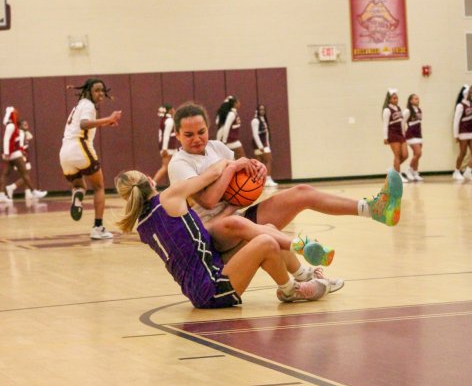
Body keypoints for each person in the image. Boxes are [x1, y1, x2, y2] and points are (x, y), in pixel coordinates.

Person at [167, 102, 403, 284]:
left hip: (236, 218)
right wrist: (230, 168)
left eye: (201, 131)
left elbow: (240, 182)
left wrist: (255, 170)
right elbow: (208, 202)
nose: (197, 139)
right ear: (177, 135)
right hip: (211, 236)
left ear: (208, 128)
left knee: (302, 192)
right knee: (265, 232)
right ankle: (304, 275)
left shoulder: (217, 148)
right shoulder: (179, 163)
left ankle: (374, 209)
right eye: (189, 135)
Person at [115, 164, 334, 306]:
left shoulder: (142, 226)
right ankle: (290, 290)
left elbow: (192, 238)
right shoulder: (169, 197)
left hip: (203, 279)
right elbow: (212, 174)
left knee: (265, 229)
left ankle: (304, 263)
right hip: (211, 287)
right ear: (149, 179)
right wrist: (232, 164)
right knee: (266, 242)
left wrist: (231, 217)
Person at [59, 78, 121, 239]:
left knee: (79, 184)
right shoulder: (88, 105)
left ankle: (78, 194)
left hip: (65, 152)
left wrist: (105, 123)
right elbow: (84, 124)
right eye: (97, 90)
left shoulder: (79, 105)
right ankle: (98, 228)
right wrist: (108, 119)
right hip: (80, 148)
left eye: (102, 90)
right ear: (88, 92)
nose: (100, 93)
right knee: (99, 187)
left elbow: (82, 125)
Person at [0, 107, 47, 205]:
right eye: (15, 114)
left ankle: (1, 194)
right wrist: (6, 153)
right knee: (25, 173)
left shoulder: (11, 125)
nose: (16, 115)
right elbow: (6, 140)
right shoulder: (11, 126)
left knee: (5, 174)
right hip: (14, 153)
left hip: (11, 153)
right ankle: (34, 192)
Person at [452, 84, 472, 181]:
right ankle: (456, 171)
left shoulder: (471, 104)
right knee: (463, 153)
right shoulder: (460, 105)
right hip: (463, 132)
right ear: (465, 94)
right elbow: (456, 121)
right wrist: (456, 135)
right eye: (470, 93)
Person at [382, 89, 408, 183]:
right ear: (389, 99)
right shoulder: (387, 110)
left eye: (397, 98)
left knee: (405, 155)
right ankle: (397, 176)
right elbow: (385, 124)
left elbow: (402, 122)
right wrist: (385, 137)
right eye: (394, 98)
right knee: (397, 155)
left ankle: (392, 170)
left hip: (401, 134)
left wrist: (404, 133)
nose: (396, 99)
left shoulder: (398, 108)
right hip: (393, 134)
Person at [251, 103, 277, 186]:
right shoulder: (255, 120)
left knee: (262, 162)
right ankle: (267, 179)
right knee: (267, 161)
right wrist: (260, 146)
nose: (262, 111)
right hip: (261, 146)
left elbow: (266, 135)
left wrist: (268, 145)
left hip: (265, 145)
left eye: (263, 109)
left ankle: (262, 180)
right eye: (260, 109)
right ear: (257, 111)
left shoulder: (263, 120)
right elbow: (255, 134)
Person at [153, 104, 178, 186]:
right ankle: (152, 184)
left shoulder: (164, 119)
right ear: (170, 110)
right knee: (165, 167)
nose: (174, 110)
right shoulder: (169, 120)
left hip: (169, 147)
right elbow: (166, 135)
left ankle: (176, 185)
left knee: (175, 166)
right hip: (168, 147)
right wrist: (164, 149)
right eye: (173, 109)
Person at [403, 93, 423, 181]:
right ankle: (408, 170)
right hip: (411, 134)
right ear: (410, 101)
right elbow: (402, 122)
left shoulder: (419, 110)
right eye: (415, 99)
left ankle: (415, 172)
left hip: (418, 134)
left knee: (417, 155)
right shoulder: (408, 111)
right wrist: (403, 133)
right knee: (418, 153)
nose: (417, 100)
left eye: (418, 98)